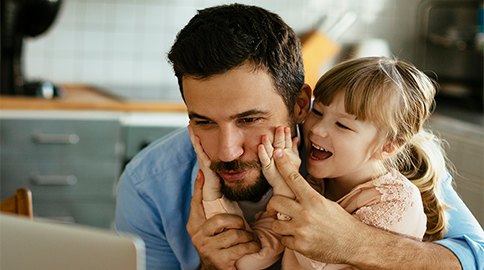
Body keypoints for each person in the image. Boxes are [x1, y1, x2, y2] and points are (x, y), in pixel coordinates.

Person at [114, 3, 484, 270]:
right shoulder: (150, 184)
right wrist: (211, 265)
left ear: (301, 105)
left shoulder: (368, 160)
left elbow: (474, 258)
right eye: (204, 122)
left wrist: (355, 243)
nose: (226, 150)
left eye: (250, 119)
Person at [190, 57, 444, 270]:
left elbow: (319, 261)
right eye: (318, 112)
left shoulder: (397, 203)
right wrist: (212, 193)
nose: (317, 130)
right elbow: (249, 260)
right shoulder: (316, 185)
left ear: (388, 147)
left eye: (342, 125)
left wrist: (285, 182)